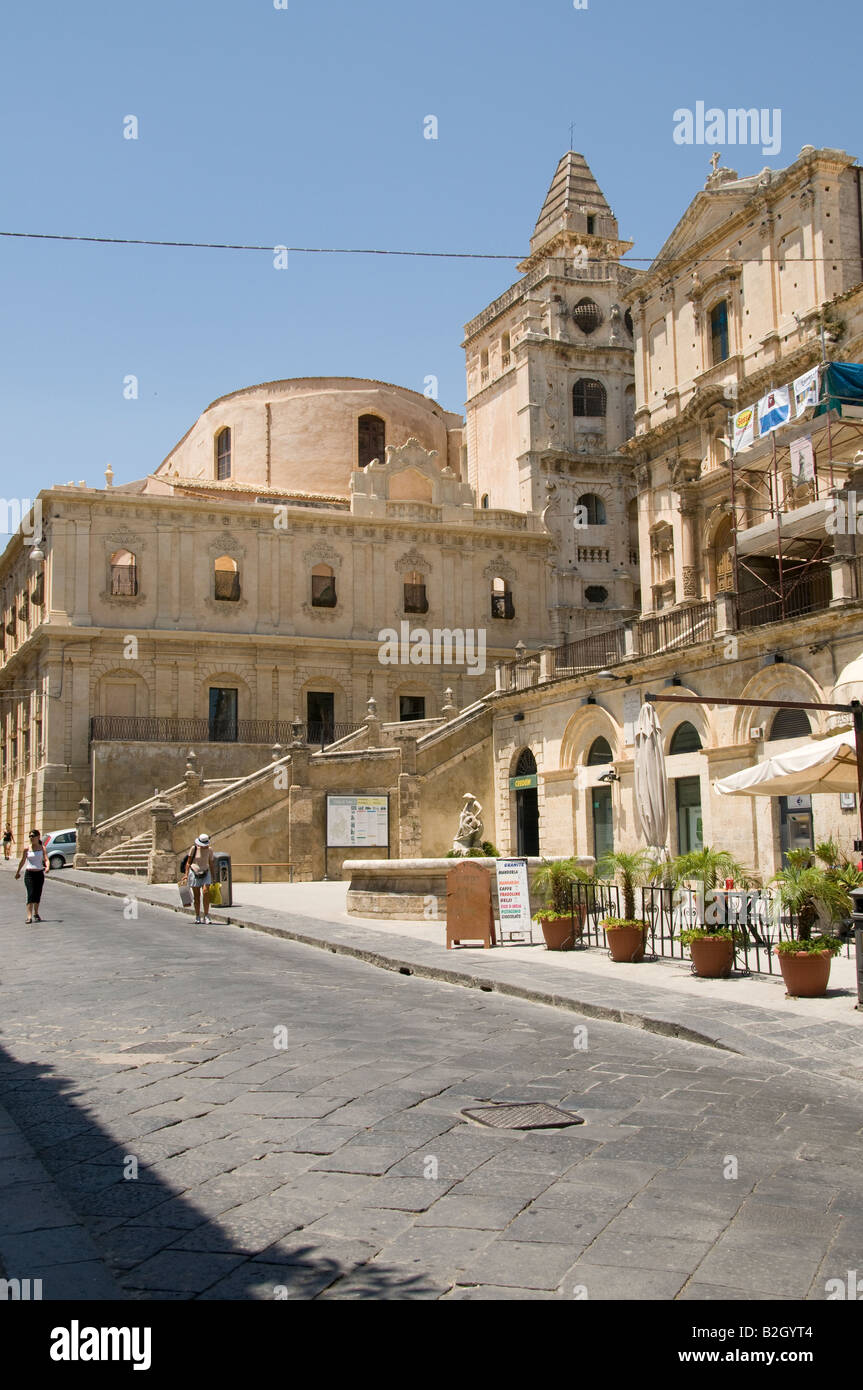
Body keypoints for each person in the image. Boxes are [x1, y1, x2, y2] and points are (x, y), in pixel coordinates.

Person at [15, 829, 48, 923]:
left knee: (37, 893)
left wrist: (47, 867)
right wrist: (18, 872)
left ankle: (36, 913)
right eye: (30, 836)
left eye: (33, 836)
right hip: (29, 874)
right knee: (31, 893)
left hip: (39, 874)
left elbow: (46, 860)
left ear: (38, 837)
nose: (31, 838)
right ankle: (29, 916)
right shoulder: (27, 849)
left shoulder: (42, 848)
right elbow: (22, 861)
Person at [182, 833, 216, 924]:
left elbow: (211, 864)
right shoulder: (194, 849)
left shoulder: (210, 850)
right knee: (197, 897)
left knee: (206, 892)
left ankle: (206, 915)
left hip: (206, 872)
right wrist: (186, 874)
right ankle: (197, 915)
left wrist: (213, 876)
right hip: (194, 873)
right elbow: (188, 862)